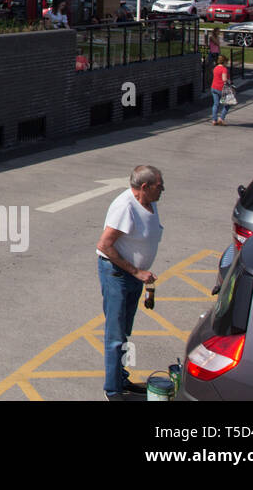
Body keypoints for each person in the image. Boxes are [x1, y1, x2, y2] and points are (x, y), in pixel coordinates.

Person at [96, 165, 166, 401]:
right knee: (115, 334)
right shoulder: (125, 207)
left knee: (124, 330)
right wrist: (136, 271)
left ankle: (121, 378)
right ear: (144, 187)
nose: (163, 189)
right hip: (118, 274)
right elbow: (104, 245)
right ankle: (112, 390)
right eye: (159, 185)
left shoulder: (149, 201)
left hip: (134, 276)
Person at [210, 55, 232, 126]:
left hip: (214, 87)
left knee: (215, 104)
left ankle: (214, 120)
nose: (227, 63)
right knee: (228, 104)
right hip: (221, 89)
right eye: (226, 62)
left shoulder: (215, 68)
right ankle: (221, 119)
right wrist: (230, 82)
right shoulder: (224, 69)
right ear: (224, 61)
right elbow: (224, 79)